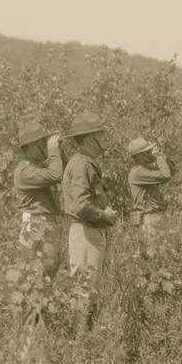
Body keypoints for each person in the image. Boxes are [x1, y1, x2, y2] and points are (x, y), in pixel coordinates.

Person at [62, 112, 118, 293]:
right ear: (88, 140)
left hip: (89, 232)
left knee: (88, 291)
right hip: (86, 232)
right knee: (85, 293)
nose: (105, 138)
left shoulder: (86, 162)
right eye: (100, 134)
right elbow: (80, 205)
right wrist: (104, 215)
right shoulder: (81, 164)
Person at [13, 120, 63, 280]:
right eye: (43, 142)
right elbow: (56, 175)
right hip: (37, 225)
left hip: (47, 225)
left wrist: (59, 150)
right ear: (34, 145)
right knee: (33, 279)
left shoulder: (40, 165)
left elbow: (67, 170)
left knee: (47, 278)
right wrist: (54, 149)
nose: (46, 145)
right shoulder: (25, 170)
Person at [127, 137, 172, 255]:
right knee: (155, 258)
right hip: (150, 219)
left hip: (153, 218)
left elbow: (171, 171)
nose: (150, 153)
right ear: (140, 156)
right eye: (147, 152)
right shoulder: (138, 172)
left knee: (160, 257)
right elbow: (166, 175)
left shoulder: (143, 169)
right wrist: (158, 158)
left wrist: (162, 157)